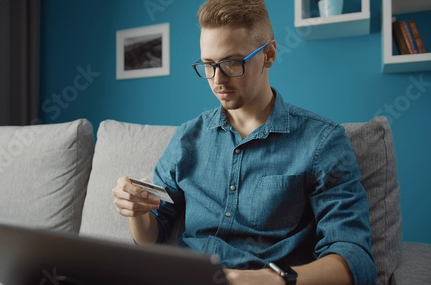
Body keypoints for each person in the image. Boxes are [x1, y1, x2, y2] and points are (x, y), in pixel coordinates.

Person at [112, 0, 377, 284]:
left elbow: (354, 258)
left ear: (269, 54)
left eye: (232, 63)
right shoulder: (186, 139)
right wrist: (137, 211)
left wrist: (272, 280)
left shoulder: (322, 142)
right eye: (209, 65)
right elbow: (152, 238)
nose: (217, 80)